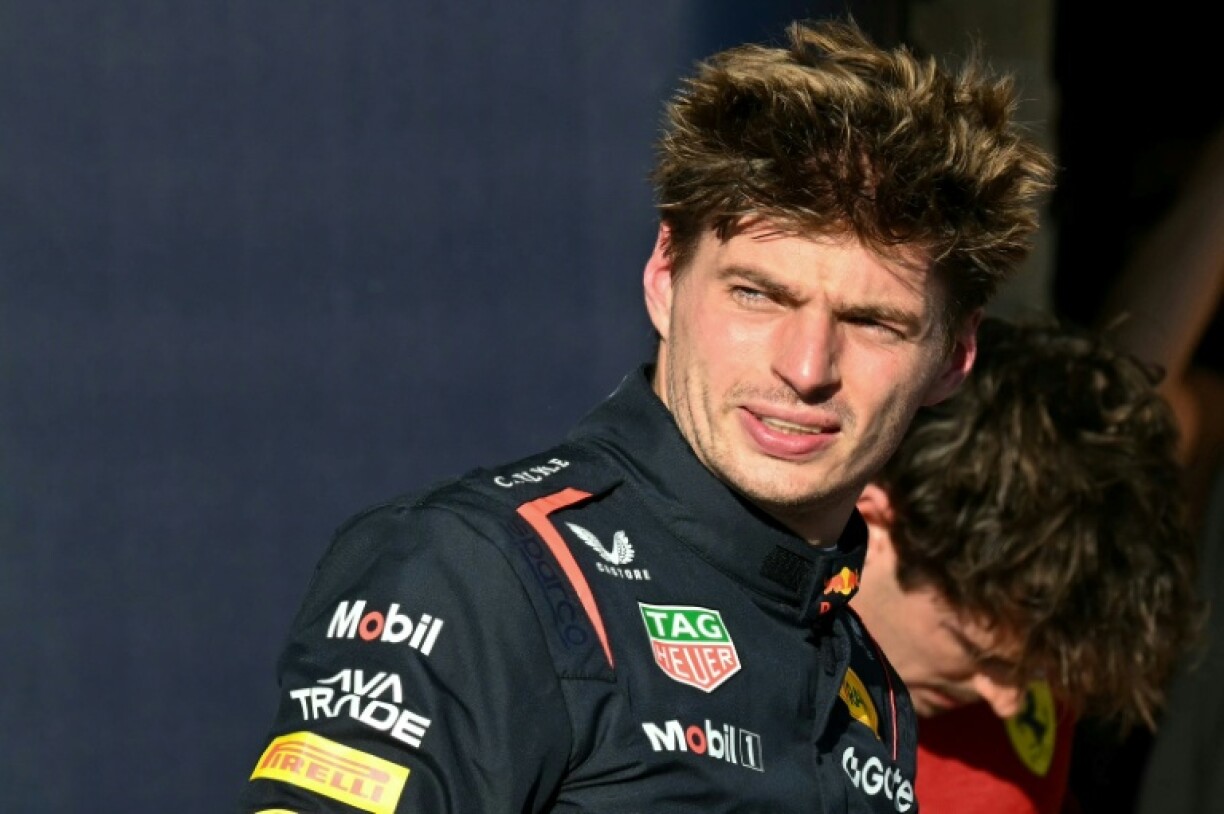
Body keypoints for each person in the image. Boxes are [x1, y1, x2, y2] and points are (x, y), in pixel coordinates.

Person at [238, 18, 1053, 813]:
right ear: (665, 276)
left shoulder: (865, 680)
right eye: (757, 294)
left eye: (874, 322)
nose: (805, 369)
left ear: (954, 356)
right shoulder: (480, 572)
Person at [850, 316, 1204, 814]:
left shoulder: (1036, 619)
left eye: (1033, 669)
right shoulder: (730, 691)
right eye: (980, 653)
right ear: (875, 525)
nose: (1009, 701)